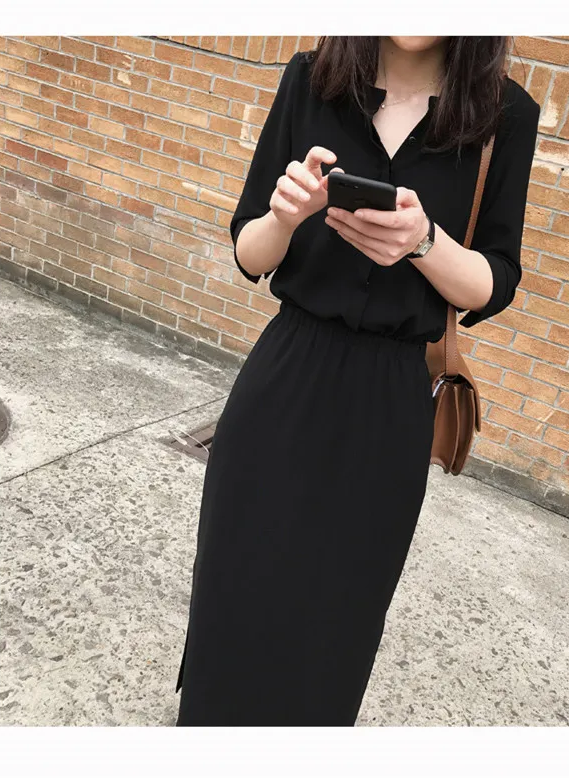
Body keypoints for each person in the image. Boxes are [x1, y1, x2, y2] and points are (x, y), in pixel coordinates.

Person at [174, 35, 540, 726]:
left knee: (336, 620)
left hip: (390, 401)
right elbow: (249, 253)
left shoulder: (505, 115)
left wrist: (424, 243)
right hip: (286, 378)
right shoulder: (311, 80)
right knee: (237, 590)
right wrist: (284, 217)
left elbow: (496, 282)